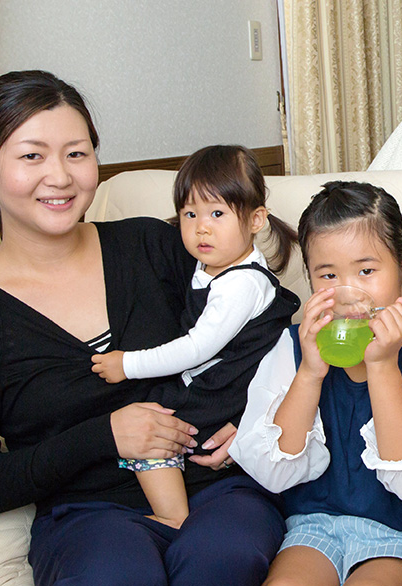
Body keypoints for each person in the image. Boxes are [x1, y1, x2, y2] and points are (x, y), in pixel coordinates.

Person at [0, 70, 288, 586]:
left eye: (76, 154)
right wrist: (104, 435)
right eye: (31, 156)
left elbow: (268, 324)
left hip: (215, 487)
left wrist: (255, 422)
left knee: (222, 561)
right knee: (113, 583)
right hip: (88, 514)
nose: (59, 176)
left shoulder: (153, 245)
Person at [229, 181, 402, 586]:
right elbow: (273, 469)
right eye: (328, 275)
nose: (349, 295)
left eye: (366, 271)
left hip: (399, 533)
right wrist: (310, 373)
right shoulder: (292, 346)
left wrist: (383, 365)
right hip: (312, 526)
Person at [89, 144, 300, 528]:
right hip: (221, 380)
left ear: (256, 220)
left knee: (155, 426)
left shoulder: (241, 284)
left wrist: (128, 363)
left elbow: (198, 346)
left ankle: (172, 515)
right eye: (190, 214)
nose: (201, 227)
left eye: (217, 213)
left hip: (231, 390)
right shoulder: (213, 267)